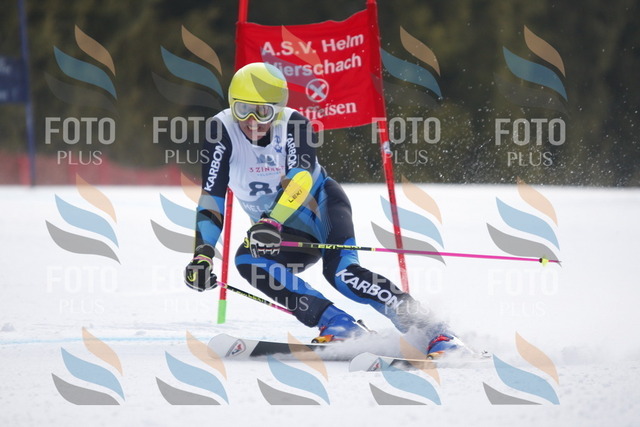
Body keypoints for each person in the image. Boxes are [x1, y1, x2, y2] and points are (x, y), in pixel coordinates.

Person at [184, 62, 460, 357]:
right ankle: (338, 325)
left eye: (263, 112)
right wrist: (203, 254)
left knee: (343, 274)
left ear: (278, 109)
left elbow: (300, 179)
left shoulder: (295, 124)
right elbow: (212, 196)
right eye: (243, 110)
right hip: (281, 230)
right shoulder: (220, 130)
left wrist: (271, 222)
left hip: (322, 209)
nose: (252, 121)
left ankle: (435, 330)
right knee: (248, 260)